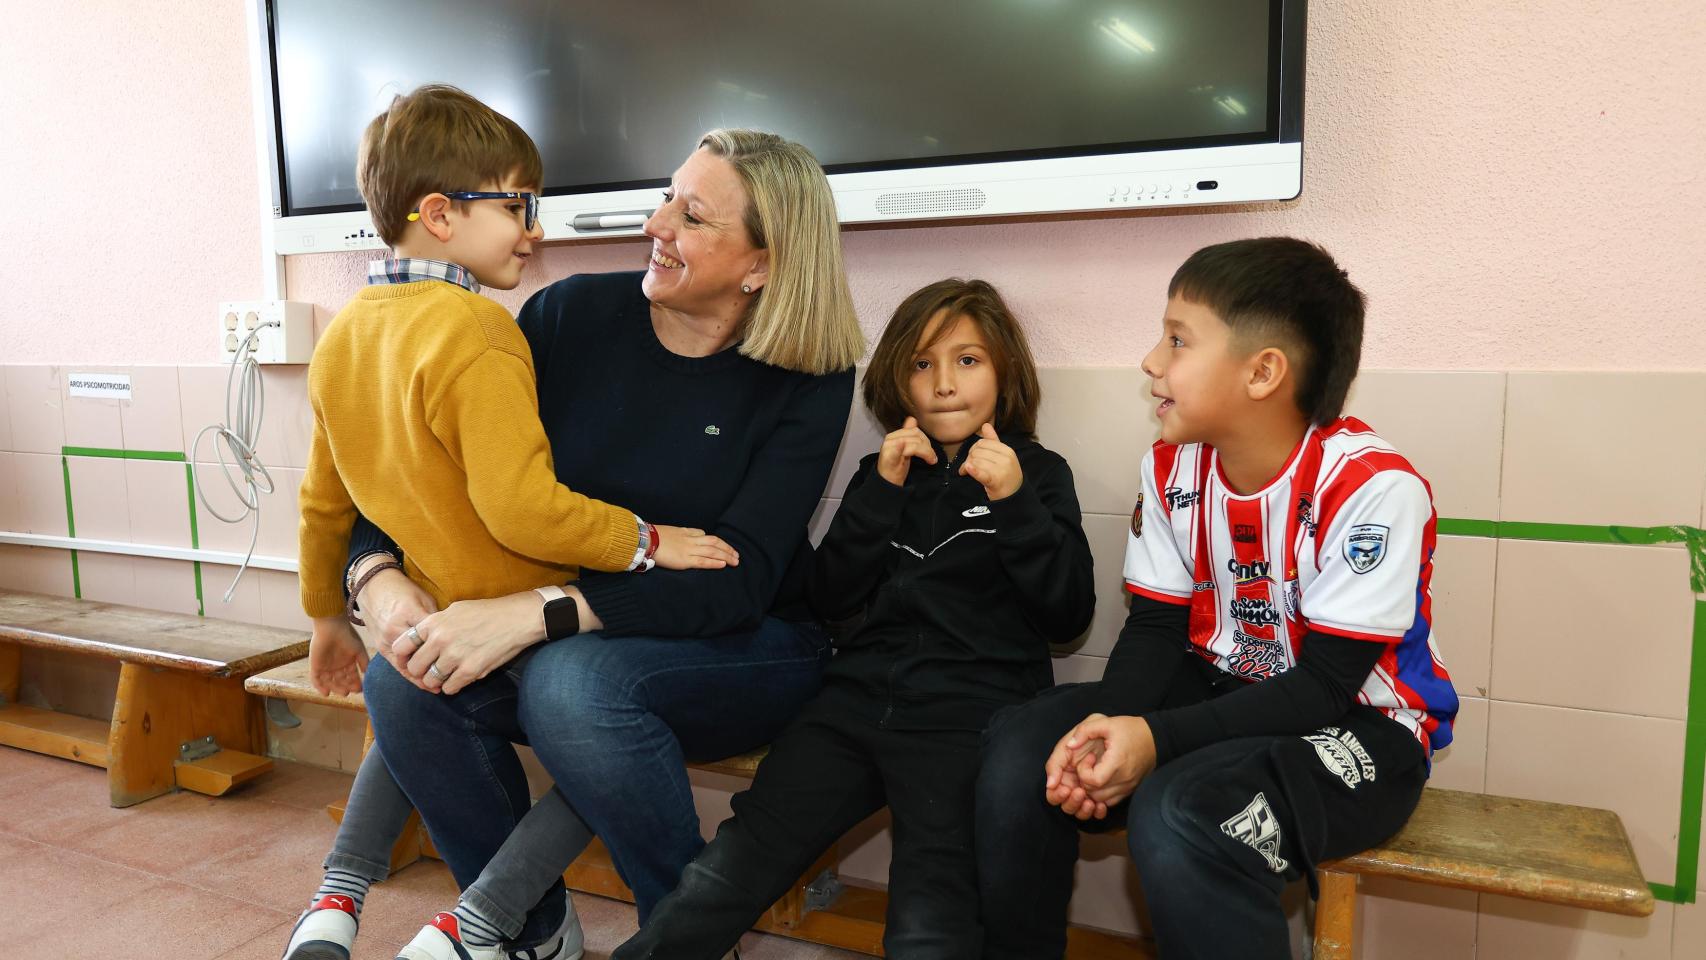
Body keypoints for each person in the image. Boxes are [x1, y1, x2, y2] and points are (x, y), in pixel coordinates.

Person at [336, 129, 866, 960]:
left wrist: (539, 611)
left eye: (691, 215)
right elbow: (422, 465)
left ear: (762, 264)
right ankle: (531, 931)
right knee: (405, 676)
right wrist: (375, 575)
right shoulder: (567, 315)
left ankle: (683, 934)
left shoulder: (811, 374)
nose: (655, 223)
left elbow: (738, 579)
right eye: (666, 195)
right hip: (570, 634)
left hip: (750, 644)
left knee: (573, 684)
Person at [286, 85, 737, 960]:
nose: (535, 229)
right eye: (518, 205)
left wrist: (322, 617)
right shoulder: (479, 332)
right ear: (439, 214)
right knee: (596, 724)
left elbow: (322, 501)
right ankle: (492, 922)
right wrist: (646, 542)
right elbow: (523, 507)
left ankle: (351, 901)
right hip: (514, 616)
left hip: (439, 618)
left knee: (407, 690)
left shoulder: (343, 336)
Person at [974, 237, 1459, 959]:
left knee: (1181, 817)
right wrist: (1114, 727)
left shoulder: (1372, 488)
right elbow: (1156, 631)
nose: (1151, 361)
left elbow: (1326, 686)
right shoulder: (1173, 464)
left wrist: (1156, 741)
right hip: (1221, 692)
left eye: (1177, 339)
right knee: (1025, 751)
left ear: (1263, 372)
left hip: (1360, 728)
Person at [613, 278, 1097, 959]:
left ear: (1004, 371)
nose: (944, 383)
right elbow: (832, 599)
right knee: (726, 872)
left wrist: (1015, 501)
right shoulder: (881, 470)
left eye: (968, 360)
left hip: (969, 720)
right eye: (922, 364)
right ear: (899, 381)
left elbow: (1068, 614)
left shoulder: (1039, 473)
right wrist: (880, 495)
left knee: (930, 919)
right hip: (852, 706)